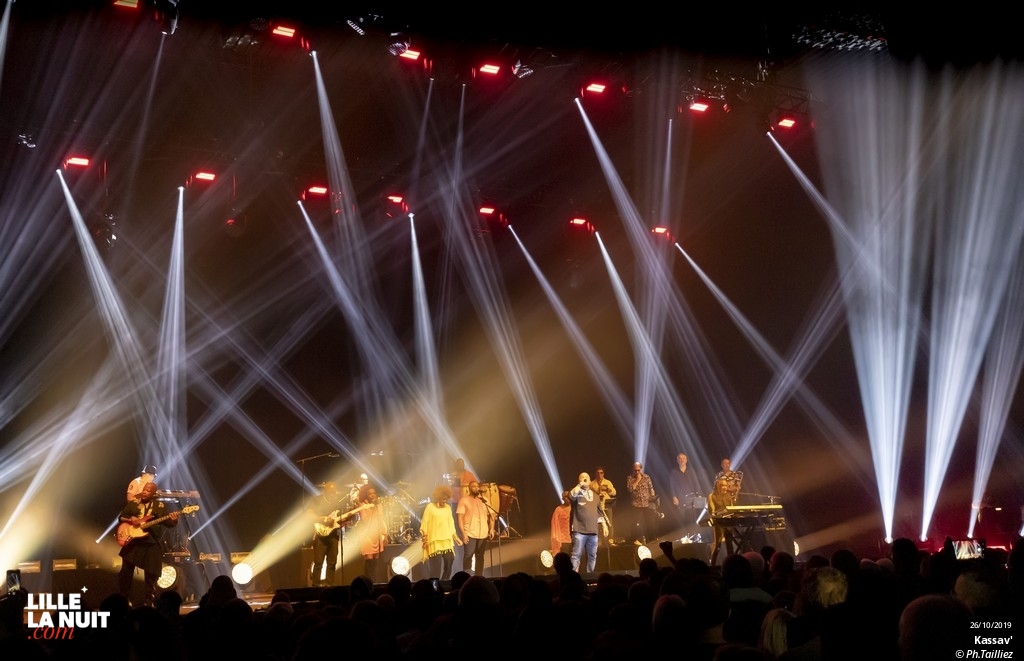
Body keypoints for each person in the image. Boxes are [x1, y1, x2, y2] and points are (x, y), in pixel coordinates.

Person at [118, 481, 179, 606]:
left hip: (151, 542)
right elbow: (121, 517)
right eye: (144, 489)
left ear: (154, 494)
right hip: (133, 543)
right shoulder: (134, 504)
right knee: (126, 572)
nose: (145, 492)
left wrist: (174, 520)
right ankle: (124, 599)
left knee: (152, 572)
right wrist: (131, 519)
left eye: (148, 491)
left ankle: (149, 600)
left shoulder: (159, 506)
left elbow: (168, 523)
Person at [420, 485, 461, 580]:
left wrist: (456, 538)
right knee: (435, 568)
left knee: (449, 562)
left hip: (447, 540)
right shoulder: (430, 507)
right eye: (443, 499)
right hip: (434, 541)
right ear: (438, 497)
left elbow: (451, 524)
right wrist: (424, 538)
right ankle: (435, 587)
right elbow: (424, 523)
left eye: (446, 499)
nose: (445, 501)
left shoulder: (448, 508)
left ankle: (444, 583)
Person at [309, 482, 345, 587]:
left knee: (332, 562)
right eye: (330, 491)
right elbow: (309, 514)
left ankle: (329, 586)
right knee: (318, 563)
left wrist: (343, 521)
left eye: (334, 492)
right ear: (325, 491)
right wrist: (323, 520)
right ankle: (315, 586)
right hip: (320, 535)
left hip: (333, 535)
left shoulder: (338, 502)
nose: (333, 494)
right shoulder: (316, 500)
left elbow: (341, 517)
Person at [456, 480, 494, 575]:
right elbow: (459, 518)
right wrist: (463, 534)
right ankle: (467, 577)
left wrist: (492, 529)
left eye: (477, 486)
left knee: (480, 556)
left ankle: (479, 577)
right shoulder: (464, 500)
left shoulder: (484, 500)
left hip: (483, 534)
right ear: (469, 489)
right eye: (473, 486)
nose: (476, 488)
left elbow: (492, 515)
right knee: (468, 555)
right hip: (470, 533)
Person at [355, 484, 388, 583]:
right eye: (370, 494)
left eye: (374, 493)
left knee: (376, 561)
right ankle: (367, 582)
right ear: (365, 495)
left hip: (376, 535)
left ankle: (374, 582)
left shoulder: (379, 506)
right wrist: (371, 509)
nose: (373, 495)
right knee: (369, 559)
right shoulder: (362, 506)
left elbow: (381, 520)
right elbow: (364, 520)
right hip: (367, 536)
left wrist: (385, 534)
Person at [568, 472, 600, 573]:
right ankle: (573, 579)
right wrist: (580, 485)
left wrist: (604, 525)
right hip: (579, 531)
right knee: (576, 555)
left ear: (590, 481)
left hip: (593, 532)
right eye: (582, 477)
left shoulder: (596, 496)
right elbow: (571, 496)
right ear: (579, 481)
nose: (584, 478)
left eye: (587, 477)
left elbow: (599, 512)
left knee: (592, 556)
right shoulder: (577, 493)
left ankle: (590, 578)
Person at [669, 453, 703, 535]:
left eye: (683, 458)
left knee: (693, 518)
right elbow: (671, 485)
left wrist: (699, 495)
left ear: (686, 460)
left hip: (692, 499)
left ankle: (694, 535)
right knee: (683, 519)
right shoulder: (674, 472)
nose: (682, 460)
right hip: (680, 499)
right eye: (680, 458)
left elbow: (696, 483)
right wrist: (674, 497)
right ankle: (685, 536)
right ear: (677, 461)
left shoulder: (691, 471)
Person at [625, 461, 657, 544]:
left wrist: (652, 493)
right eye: (635, 470)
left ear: (641, 469)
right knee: (634, 523)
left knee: (649, 521)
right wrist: (637, 480)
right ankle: (634, 539)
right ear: (633, 470)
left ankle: (652, 538)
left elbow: (651, 487)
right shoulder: (630, 478)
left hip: (646, 503)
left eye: (638, 470)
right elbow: (630, 489)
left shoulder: (646, 477)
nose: (637, 472)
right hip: (636, 504)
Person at [708, 477, 737, 566]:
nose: (725, 487)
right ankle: (712, 565)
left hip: (728, 523)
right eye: (722, 485)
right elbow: (712, 512)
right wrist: (719, 513)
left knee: (730, 545)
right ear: (718, 486)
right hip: (719, 523)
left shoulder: (729, 497)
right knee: (718, 545)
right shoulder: (712, 496)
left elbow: (732, 510)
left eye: (726, 485)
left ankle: (731, 565)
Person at [592, 466, 616, 541]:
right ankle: (599, 539)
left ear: (603, 474)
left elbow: (614, 493)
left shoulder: (607, 482)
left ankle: (610, 539)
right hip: (597, 506)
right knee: (598, 523)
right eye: (598, 473)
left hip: (607, 504)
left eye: (601, 473)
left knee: (609, 522)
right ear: (595, 474)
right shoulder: (592, 484)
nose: (599, 474)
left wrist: (607, 489)